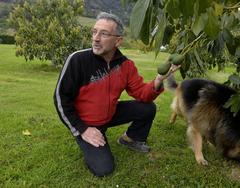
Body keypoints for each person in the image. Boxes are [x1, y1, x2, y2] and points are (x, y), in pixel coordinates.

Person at [54, 12, 170, 177]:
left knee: (148, 108)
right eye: (94, 32)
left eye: (104, 34)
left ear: (118, 40)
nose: (96, 38)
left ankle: (130, 139)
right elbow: (61, 98)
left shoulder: (126, 65)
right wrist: (83, 129)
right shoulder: (77, 60)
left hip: (110, 114)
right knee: (104, 169)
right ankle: (89, 138)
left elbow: (142, 93)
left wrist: (158, 80)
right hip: (87, 122)